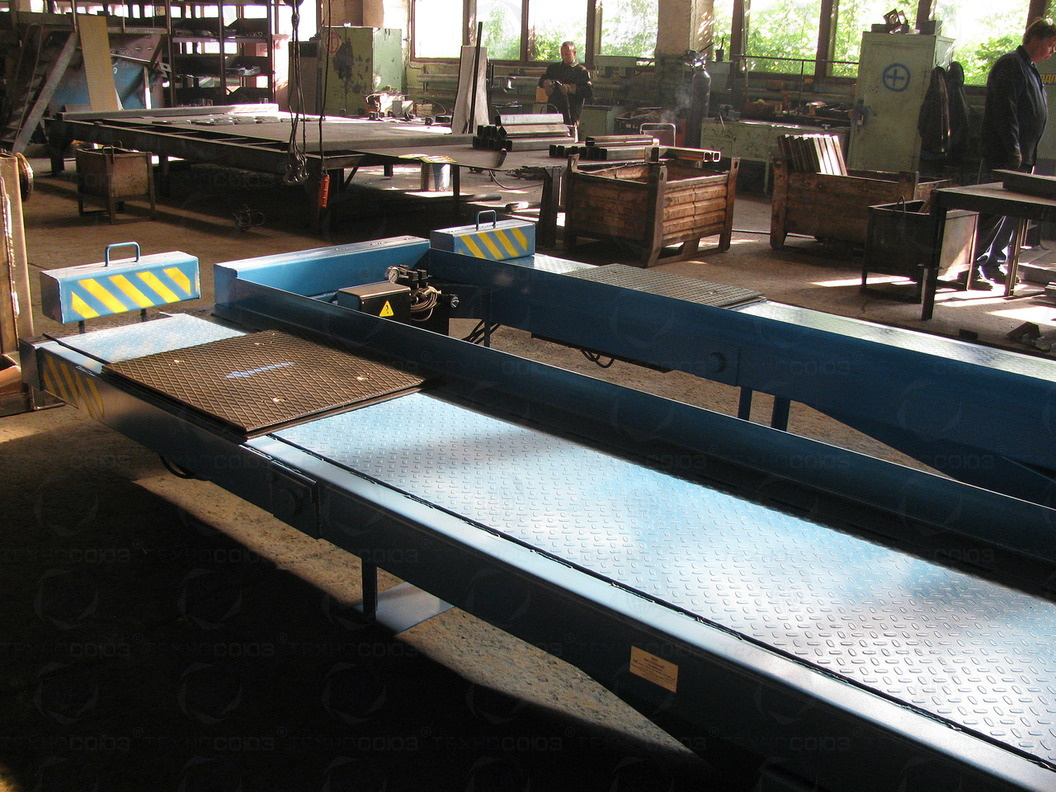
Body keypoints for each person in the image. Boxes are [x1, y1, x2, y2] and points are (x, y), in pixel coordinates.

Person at [974, 17, 1056, 287]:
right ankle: (971, 267)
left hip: (1023, 156)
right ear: (1035, 39)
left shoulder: (1029, 68)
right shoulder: (1010, 65)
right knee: (990, 213)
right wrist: (1013, 149)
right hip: (1005, 157)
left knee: (1009, 215)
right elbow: (1004, 111)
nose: (1052, 51)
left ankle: (993, 263)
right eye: (1051, 44)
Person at [538, 41, 593, 127]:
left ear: (574, 53)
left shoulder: (581, 72)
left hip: (571, 113)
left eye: (567, 54)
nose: (564, 57)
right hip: (554, 111)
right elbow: (541, 81)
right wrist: (546, 83)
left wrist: (571, 89)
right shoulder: (553, 69)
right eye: (562, 54)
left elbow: (589, 92)